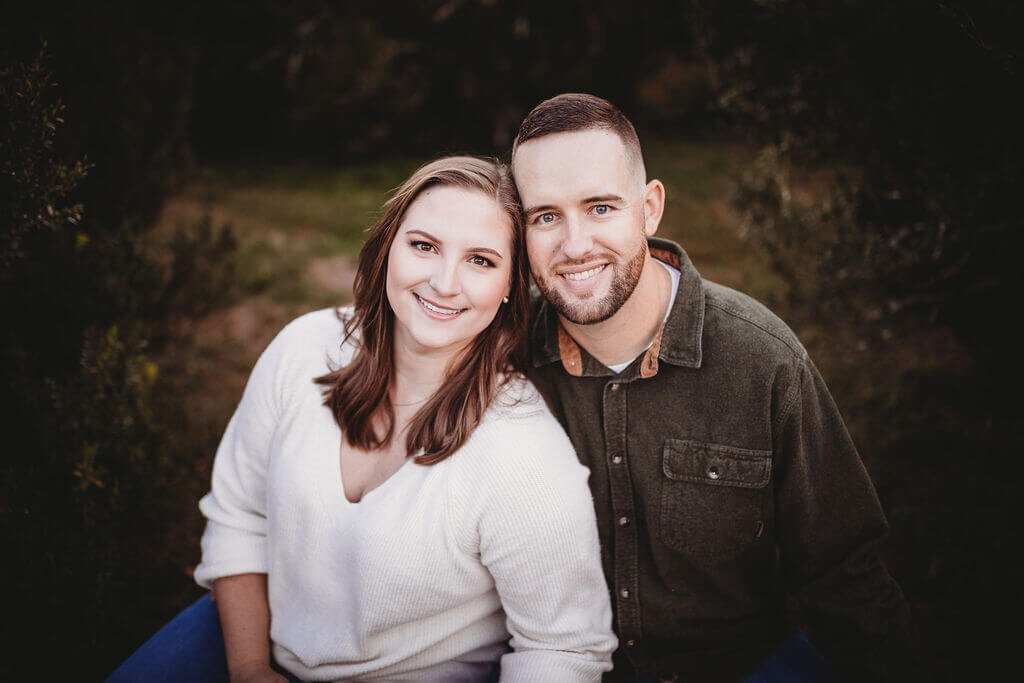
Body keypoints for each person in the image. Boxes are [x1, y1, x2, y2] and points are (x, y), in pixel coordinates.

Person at [107, 156, 616, 682]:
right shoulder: (303, 347)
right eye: (424, 246)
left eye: (481, 261)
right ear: (388, 249)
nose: (444, 283)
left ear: (512, 283)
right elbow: (239, 518)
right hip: (253, 639)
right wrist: (251, 669)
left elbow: (562, 650)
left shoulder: (524, 456)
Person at [510, 93, 915, 682]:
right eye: (545, 216)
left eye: (600, 208)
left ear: (649, 208)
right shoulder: (501, 359)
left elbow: (844, 575)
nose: (574, 245)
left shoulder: (763, 361)